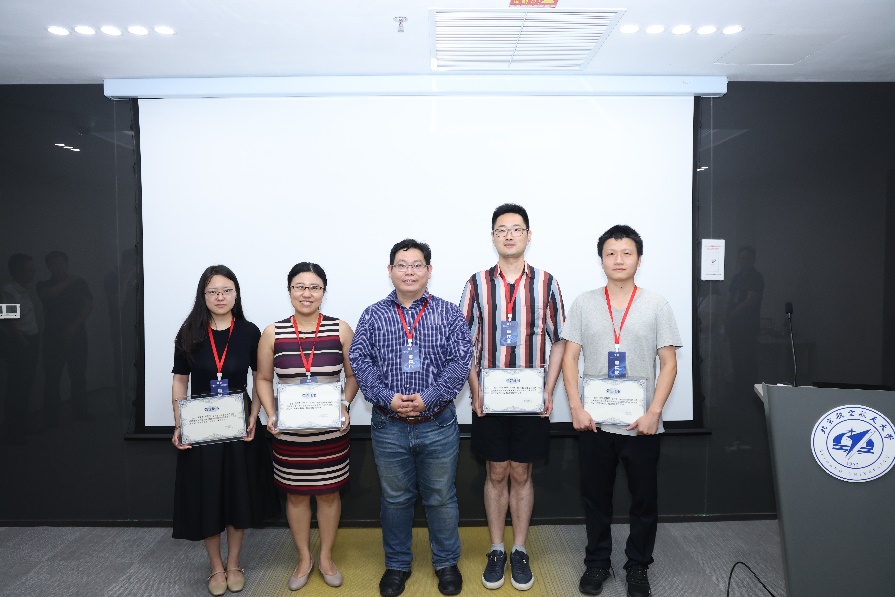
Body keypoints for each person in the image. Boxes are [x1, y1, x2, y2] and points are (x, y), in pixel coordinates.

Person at [561, 225, 681, 597]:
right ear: (601, 260)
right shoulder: (584, 303)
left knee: (644, 500)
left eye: (626, 253)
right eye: (611, 253)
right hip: (594, 424)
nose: (618, 260)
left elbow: (669, 363)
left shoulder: (657, 304)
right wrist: (576, 408)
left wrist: (654, 412)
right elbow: (569, 359)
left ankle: (638, 566)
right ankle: (597, 562)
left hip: (640, 424)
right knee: (595, 498)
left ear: (638, 260)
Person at [349, 239, 472, 597]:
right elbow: (360, 361)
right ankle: (397, 564)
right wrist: (387, 398)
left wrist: (428, 398)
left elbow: (460, 362)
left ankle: (446, 563)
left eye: (417, 265)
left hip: (437, 423)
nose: (409, 272)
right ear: (390, 271)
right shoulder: (373, 315)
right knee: (395, 499)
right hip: (389, 426)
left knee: (441, 497)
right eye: (401, 265)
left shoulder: (448, 313)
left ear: (429, 271)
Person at [459, 203, 566, 591]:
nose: (509, 235)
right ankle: (496, 549)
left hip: (529, 400)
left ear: (528, 235)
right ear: (493, 237)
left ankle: (519, 549)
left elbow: (560, 341)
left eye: (516, 229)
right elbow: (463, 343)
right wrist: (475, 391)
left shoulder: (547, 282)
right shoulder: (476, 283)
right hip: (490, 399)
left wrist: (548, 390)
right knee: (496, 472)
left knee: (521, 472)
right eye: (501, 229)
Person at [170, 265, 280, 596]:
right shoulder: (189, 331)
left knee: (237, 493)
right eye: (213, 292)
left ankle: (234, 563)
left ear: (236, 294)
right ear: (203, 296)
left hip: (238, 424)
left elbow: (261, 378)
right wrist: (179, 423)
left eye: (227, 291)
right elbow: (180, 380)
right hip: (201, 425)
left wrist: (255, 416)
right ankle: (215, 566)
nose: (220, 297)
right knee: (208, 495)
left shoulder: (249, 332)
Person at [256, 262, 358, 591]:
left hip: (330, 432)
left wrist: (344, 405)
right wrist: (271, 413)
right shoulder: (273, 332)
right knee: (297, 497)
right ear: (289, 291)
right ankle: (304, 557)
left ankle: (325, 557)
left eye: (314, 287)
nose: (307, 293)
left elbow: (353, 376)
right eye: (299, 286)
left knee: (329, 494)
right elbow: (263, 378)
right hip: (289, 435)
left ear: (323, 292)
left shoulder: (340, 329)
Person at [36, 251, 92, 423]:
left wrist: (73, 326)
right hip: (52, 337)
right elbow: (48, 295)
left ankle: (80, 413)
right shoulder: (42, 285)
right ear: (48, 267)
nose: (58, 267)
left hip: (77, 335)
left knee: (78, 375)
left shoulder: (79, 283)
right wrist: (69, 280)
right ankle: (51, 416)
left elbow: (88, 305)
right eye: (54, 264)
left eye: (61, 263)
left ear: (67, 264)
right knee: (52, 377)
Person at [0, 254, 39, 445]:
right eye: (29, 268)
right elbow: (8, 321)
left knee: (25, 385)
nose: (33, 271)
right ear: (17, 271)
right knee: (16, 387)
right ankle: (12, 430)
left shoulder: (23, 290)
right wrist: (22, 341)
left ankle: (21, 426)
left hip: (29, 340)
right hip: (20, 343)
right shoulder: (10, 291)